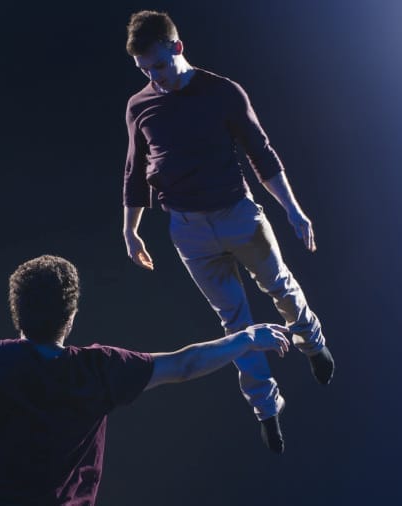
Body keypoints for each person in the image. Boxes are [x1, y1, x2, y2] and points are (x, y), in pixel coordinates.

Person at [0, 254, 289, 505]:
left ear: (17, 311)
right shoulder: (98, 369)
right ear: (71, 316)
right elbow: (184, 365)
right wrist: (244, 339)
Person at [121, 10, 335, 454]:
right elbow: (134, 171)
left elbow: (263, 155)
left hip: (238, 215)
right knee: (235, 321)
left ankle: (311, 341)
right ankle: (266, 409)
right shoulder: (139, 106)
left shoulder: (222, 92)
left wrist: (294, 211)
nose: (155, 78)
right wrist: (131, 230)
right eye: (145, 71)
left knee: (280, 287)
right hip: (188, 231)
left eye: (159, 65)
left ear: (177, 48)